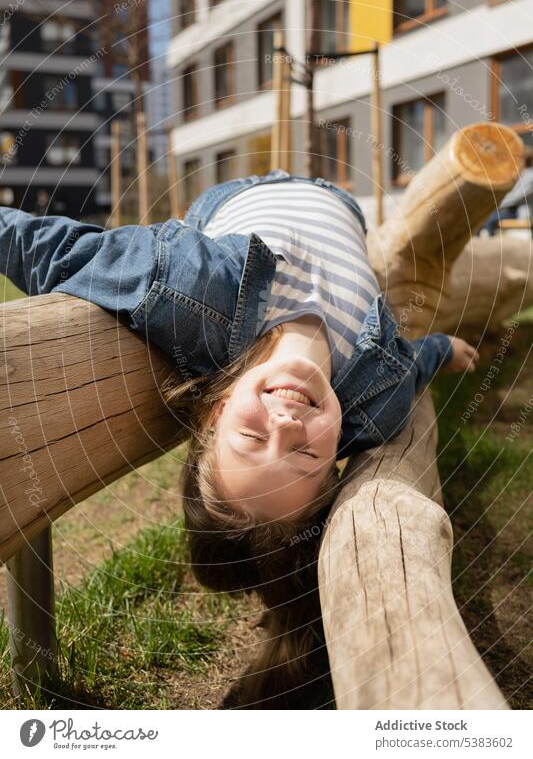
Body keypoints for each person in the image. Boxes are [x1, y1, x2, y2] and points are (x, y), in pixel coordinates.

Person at [0, 169, 479, 708]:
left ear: (215, 413)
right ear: (338, 453)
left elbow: (55, 251)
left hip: (246, 191)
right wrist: (445, 349)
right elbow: (413, 366)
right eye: (305, 453)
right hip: (343, 207)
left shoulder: (190, 290)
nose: (287, 425)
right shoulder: (376, 397)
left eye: (251, 436)